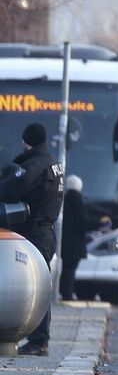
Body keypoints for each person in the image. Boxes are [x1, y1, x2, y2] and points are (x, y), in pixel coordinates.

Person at [0, 124, 63, 355]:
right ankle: (39, 339)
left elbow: (9, 190)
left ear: (26, 141)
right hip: (47, 230)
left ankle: (39, 341)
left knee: (36, 286)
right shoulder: (52, 162)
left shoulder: (34, 165)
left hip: (34, 231)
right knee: (40, 282)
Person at [59, 174, 87, 301]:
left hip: (65, 242)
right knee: (70, 270)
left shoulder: (64, 200)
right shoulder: (78, 201)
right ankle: (67, 294)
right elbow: (83, 222)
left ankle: (64, 291)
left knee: (66, 268)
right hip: (75, 243)